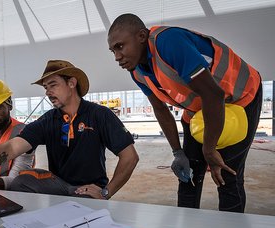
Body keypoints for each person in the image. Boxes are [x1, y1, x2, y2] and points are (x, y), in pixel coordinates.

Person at [107, 14, 262, 213]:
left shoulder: (169, 42)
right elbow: (160, 109)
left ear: (141, 36)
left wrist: (209, 149)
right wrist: (177, 152)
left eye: (120, 46)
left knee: (226, 174)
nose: (117, 57)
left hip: (241, 96)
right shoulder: (136, 70)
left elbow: (213, 94)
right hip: (200, 108)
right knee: (188, 175)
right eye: (113, 51)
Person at [0, 60, 139, 199]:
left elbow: (130, 157)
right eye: (45, 88)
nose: (48, 92)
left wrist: (106, 192)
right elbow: (12, 147)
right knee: (21, 181)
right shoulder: (49, 120)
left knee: (86, 199)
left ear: (71, 83)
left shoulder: (100, 115)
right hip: (58, 185)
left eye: (53, 85)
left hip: (89, 188)